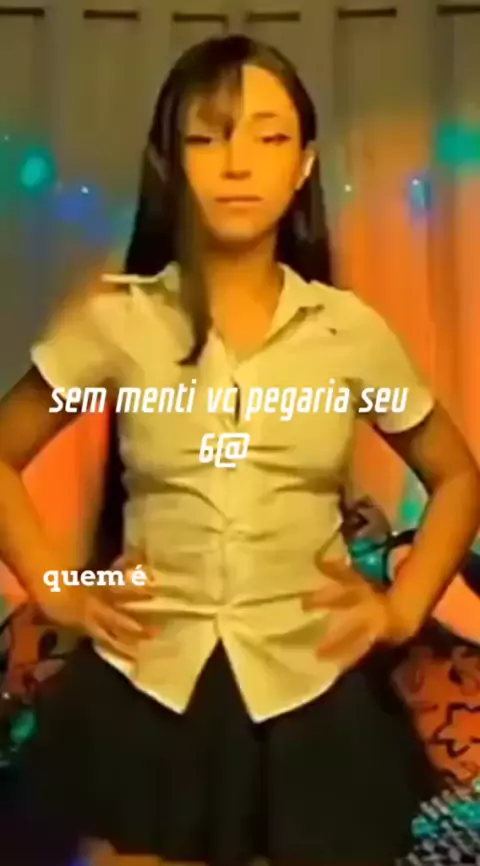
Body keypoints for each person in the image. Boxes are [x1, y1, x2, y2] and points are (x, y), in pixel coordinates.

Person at [0, 34, 479, 866]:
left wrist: (401, 609)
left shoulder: (347, 332)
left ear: (303, 166)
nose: (237, 162)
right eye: (208, 136)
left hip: (309, 689)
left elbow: (457, 477)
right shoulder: (120, 323)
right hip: (149, 686)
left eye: (269, 135)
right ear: (168, 161)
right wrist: (58, 591)